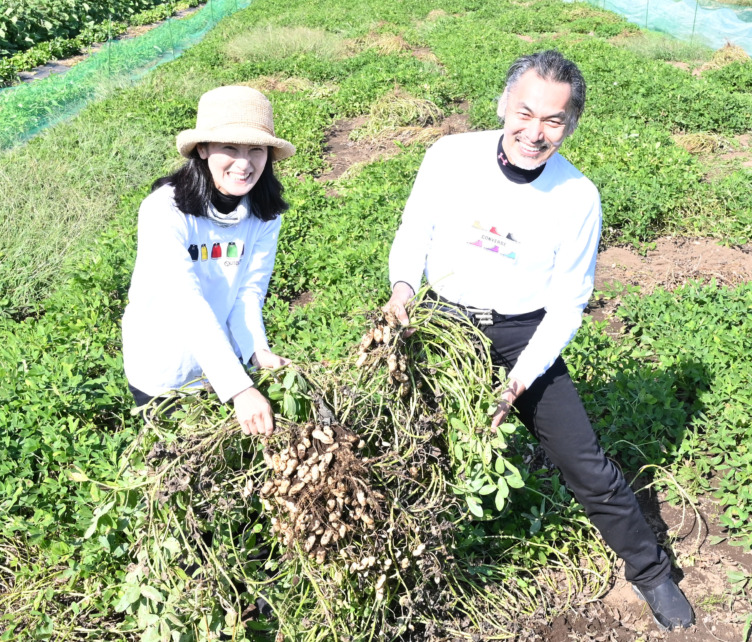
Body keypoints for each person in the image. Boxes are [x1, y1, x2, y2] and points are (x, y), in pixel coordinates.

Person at [384, 50, 694, 631]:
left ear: (570, 125)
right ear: (503, 104)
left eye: (554, 120)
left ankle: (652, 574)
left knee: (585, 463)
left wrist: (519, 378)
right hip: (440, 320)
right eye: (525, 113)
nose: (535, 132)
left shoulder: (577, 197)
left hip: (522, 330)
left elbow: (568, 302)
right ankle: (413, 566)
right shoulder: (449, 157)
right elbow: (413, 231)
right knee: (409, 441)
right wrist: (402, 290)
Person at [122, 85, 295, 437]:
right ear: (203, 149)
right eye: (229, 148)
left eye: (256, 150)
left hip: (220, 365)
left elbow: (248, 292)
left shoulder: (264, 215)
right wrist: (239, 387)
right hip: (164, 367)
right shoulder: (165, 209)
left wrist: (255, 350)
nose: (244, 164)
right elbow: (183, 301)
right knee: (171, 467)